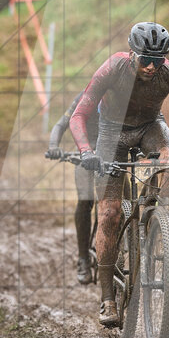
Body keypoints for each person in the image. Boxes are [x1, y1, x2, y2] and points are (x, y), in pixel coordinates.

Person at [70, 22, 169, 328]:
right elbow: (79, 116)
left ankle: (157, 223)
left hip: (151, 127)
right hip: (112, 134)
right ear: (132, 54)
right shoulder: (112, 68)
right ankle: (107, 298)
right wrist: (87, 152)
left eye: (158, 60)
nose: (152, 67)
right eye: (146, 60)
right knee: (109, 213)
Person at [45, 90, 100, 285]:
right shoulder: (86, 97)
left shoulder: (122, 95)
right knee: (85, 200)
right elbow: (61, 124)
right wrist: (54, 146)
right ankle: (83, 258)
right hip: (86, 157)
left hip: (113, 156)